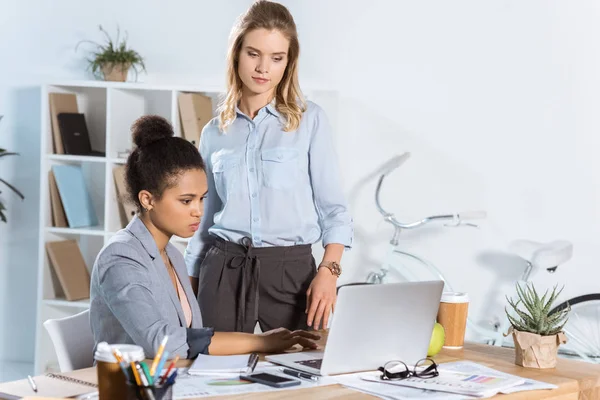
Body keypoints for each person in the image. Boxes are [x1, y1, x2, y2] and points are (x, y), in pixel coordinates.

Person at [185, 0, 353, 334]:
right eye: (253, 54)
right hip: (223, 270)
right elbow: (204, 220)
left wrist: (328, 271)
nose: (264, 68)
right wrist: (189, 288)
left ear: (288, 63)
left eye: (277, 58)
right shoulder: (214, 133)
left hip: (292, 273)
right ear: (237, 54)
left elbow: (334, 210)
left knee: (301, 375)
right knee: (217, 376)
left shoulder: (310, 121)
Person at [89, 115, 319, 358]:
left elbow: (192, 336)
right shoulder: (120, 257)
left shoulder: (173, 256)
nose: (198, 211)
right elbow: (162, 342)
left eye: (202, 199)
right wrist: (260, 342)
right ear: (147, 199)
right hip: (132, 388)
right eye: (186, 201)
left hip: (183, 383)